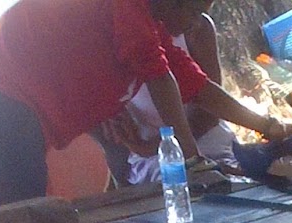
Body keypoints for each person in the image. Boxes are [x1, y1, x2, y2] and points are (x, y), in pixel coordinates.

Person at [0, 0, 292, 207]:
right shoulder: (128, 5)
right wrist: (192, 159)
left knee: (28, 212)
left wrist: (267, 126)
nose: (197, 23)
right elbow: (159, 74)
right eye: (195, 11)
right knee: (22, 218)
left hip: (21, 106)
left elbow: (197, 85)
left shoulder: (150, 25)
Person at [96, 11, 235, 188]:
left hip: (211, 143)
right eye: (192, 12)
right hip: (153, 160)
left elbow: (209, 113)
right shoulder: (122, 37)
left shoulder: (199, 29)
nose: (195, 20)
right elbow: (113, 126)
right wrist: (135, 142)